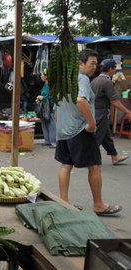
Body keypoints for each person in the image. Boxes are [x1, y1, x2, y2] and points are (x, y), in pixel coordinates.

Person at [55, 49, 121, 215]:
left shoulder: (65, 79)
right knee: (95, 166)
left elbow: (57, 103)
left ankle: (64, 201)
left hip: (64, 130)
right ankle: (98, 205)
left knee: (66, 165)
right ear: (80, 63)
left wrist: (60, 122)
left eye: (96, 64)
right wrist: (91, 124)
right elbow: (80, 100)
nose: (95, 67)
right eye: (92, 63)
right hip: (79, 130)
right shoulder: (82, 78)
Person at [91, 59, 130, 165]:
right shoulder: (107, 82)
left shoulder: (95, 80)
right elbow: (114, 101)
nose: (115, 71)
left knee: (106, 137)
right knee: (98, 137)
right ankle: (90, 160)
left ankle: (114, 157)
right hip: (102, 113)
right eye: (114, 69)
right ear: (110, 69)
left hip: (95, 111)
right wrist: (127, 111)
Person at [36, 68, 57, 148]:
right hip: (45, 108)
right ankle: (47, 140)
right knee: (45, 123)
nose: (41, 76)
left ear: (46, 76)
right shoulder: (45, 84)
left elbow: (52, 96)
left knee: (52, 124)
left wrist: (43, 97)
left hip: (51, 107)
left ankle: (54, 142)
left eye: (42, 74)